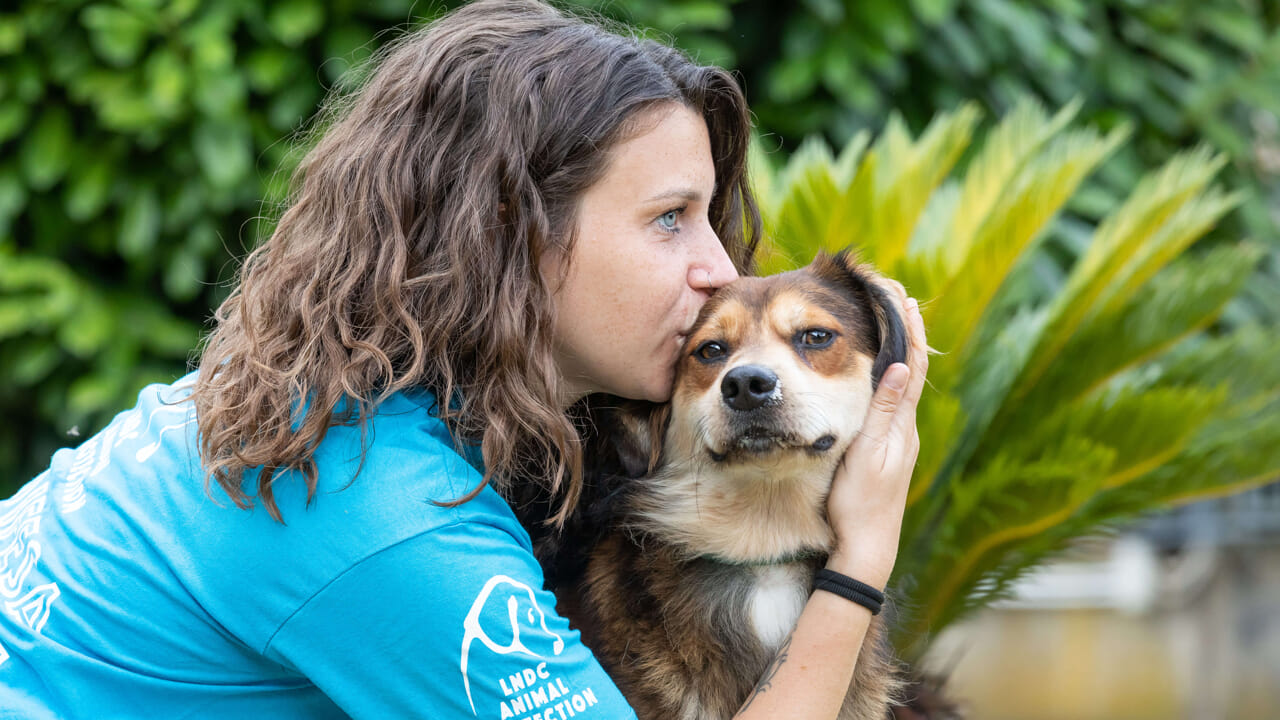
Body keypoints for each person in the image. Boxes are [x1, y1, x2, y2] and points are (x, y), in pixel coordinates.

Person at [0, 1, 928, 718]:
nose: (719, 271)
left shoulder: (332, 406)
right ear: (512, 234)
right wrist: (860, 560)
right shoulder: (387, 511)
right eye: (668, 219)